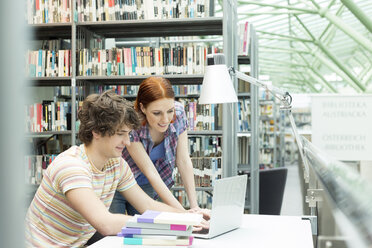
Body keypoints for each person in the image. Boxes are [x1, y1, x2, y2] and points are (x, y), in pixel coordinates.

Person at [24, 90, 189, 247]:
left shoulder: (117, 165)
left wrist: (188, 217)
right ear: (97, 131)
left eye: (128, 134)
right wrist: (166, 224)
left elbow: (148, 205)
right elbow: (105, 224)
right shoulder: (71, 166)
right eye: (120, 134)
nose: (127, 142)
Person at [110, 76, 209, 215]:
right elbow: (150, 172)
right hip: (117, 185)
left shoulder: (179, 113)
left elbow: (183, 160)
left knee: (146, 231)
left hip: (147, 186)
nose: (165, 119)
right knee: (116, 232)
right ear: (143, 108)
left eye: (170, 111)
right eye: (157, 113)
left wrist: (194, 207)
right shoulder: (132, 122)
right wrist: (185, 214)